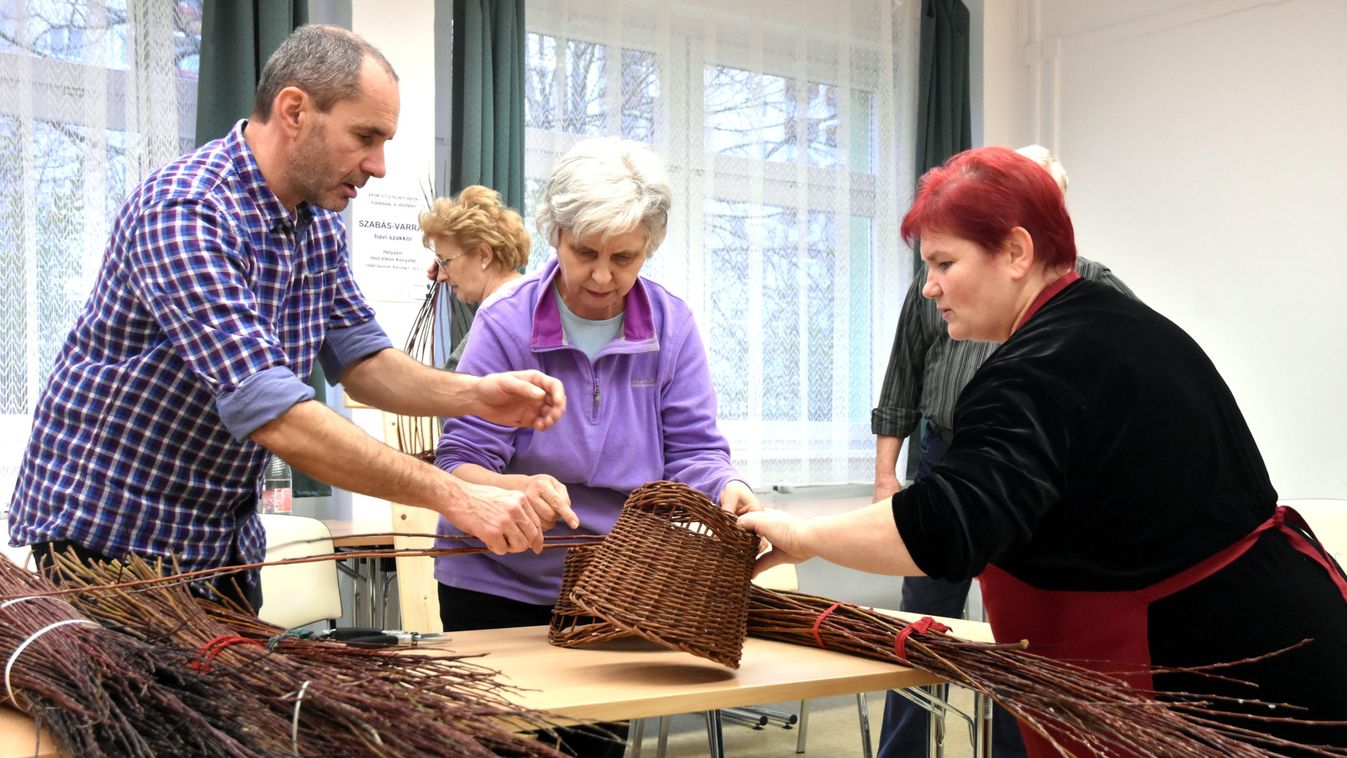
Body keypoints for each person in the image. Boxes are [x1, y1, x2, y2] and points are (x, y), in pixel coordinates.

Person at [741, 146, 1347, 754]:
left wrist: (803, 537)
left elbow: (944, 529)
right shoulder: (1111, 323)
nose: (928, 288)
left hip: (1217, 661)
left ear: (1015, 251)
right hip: (1269, 628)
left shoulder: (1041, 369)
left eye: (944, 262)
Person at [7, 25, 568, 609]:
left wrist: (475, 395)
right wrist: (454, 494)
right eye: (365, 136)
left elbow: (364, 362)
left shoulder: (317, 226)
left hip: (219, 542)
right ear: (294, 110)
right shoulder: (186, 211)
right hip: (112, 540)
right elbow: (273, 411)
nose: (378, 165)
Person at [432, 137, 760, 757]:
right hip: (492, 583)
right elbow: (460, 464)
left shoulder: (671, 327)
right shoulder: (506, 324)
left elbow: (694, 452)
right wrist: (514, 488)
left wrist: (726, 488)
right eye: (585, 253)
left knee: (591, 751)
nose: (604, 276)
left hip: (609, 594)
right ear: (554, 235)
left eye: (626, 257)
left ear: (649, 249)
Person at [871, 145, 1134, 758]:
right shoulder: (938, 281)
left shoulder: (1092, 289)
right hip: (942, 456)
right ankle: (902, 750)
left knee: (1014, 633)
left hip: (1034, 478)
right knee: (923, 627)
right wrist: (887, 475)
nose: (936, 279)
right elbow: (901, 377)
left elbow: (1130, 375)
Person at [417, 185, 529, 371]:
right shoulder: (531, 302)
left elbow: (453, 391)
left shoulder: (495, 317)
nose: (441, 276)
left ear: (484, 255)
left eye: (445, 261)